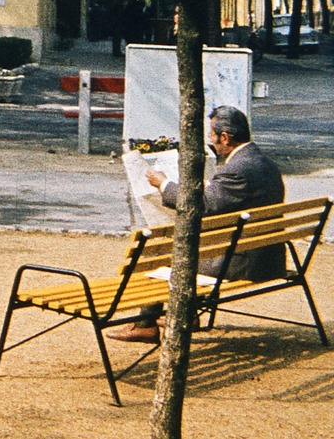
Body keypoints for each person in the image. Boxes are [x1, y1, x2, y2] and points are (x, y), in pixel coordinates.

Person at [109, 105, 285, 343]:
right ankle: (187, 315)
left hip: (243, 261)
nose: (211, 142)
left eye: (212, 136)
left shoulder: (238, 169)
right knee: (196, 245)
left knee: (162, 254)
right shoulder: (261, 162)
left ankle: (145, 324)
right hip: (266, 253)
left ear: (225, 137)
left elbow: (200, 207)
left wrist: (163, 184)